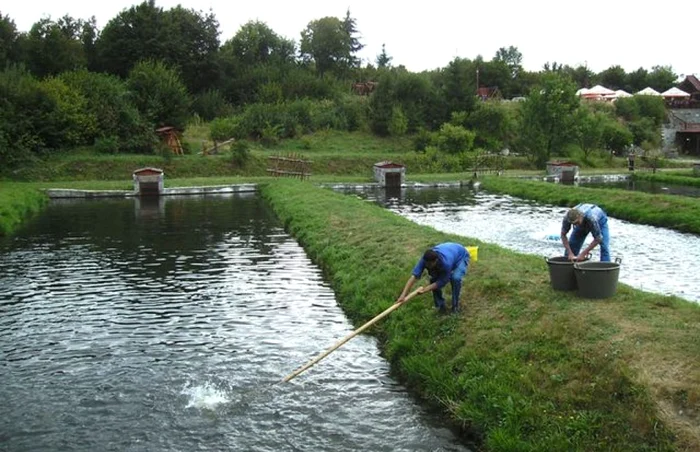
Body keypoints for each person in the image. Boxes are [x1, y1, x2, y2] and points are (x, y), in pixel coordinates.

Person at [396, 242, 470, 314]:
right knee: (433, 280)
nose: (428, 266)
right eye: (426, 264)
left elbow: (442, 281)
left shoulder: (446, 264)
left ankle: (455, 307)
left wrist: (425, 290)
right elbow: (414, 276)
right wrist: (403, 295)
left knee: (455, 278)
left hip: (460, 254)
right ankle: (440, 307)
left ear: (436, 261)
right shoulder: (425, 260)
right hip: (448, 249)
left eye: (430, 264)